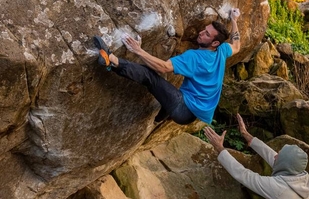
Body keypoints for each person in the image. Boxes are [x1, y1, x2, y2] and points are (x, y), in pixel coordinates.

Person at [93, 9, 240, 125]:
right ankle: (160, 118)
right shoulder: (222, 50)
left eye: (207, 34)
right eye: (204, 29)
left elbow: (163, 67)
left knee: (151, 77)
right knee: (169, 90)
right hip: (193, 114)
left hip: (182, 108)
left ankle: (111, 59)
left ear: (215, 43)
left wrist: (138, 50)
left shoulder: (194, 57)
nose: (201, 33)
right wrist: (234, 20)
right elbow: (236, 45)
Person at [204, 114, 309, 199]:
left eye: (278, 156)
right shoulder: (303, 176)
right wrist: (246, 135)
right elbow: (273, 156)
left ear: (284, 164)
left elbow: (243, 174)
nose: (275, 157)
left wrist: (219, 148)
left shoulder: (278, 188)